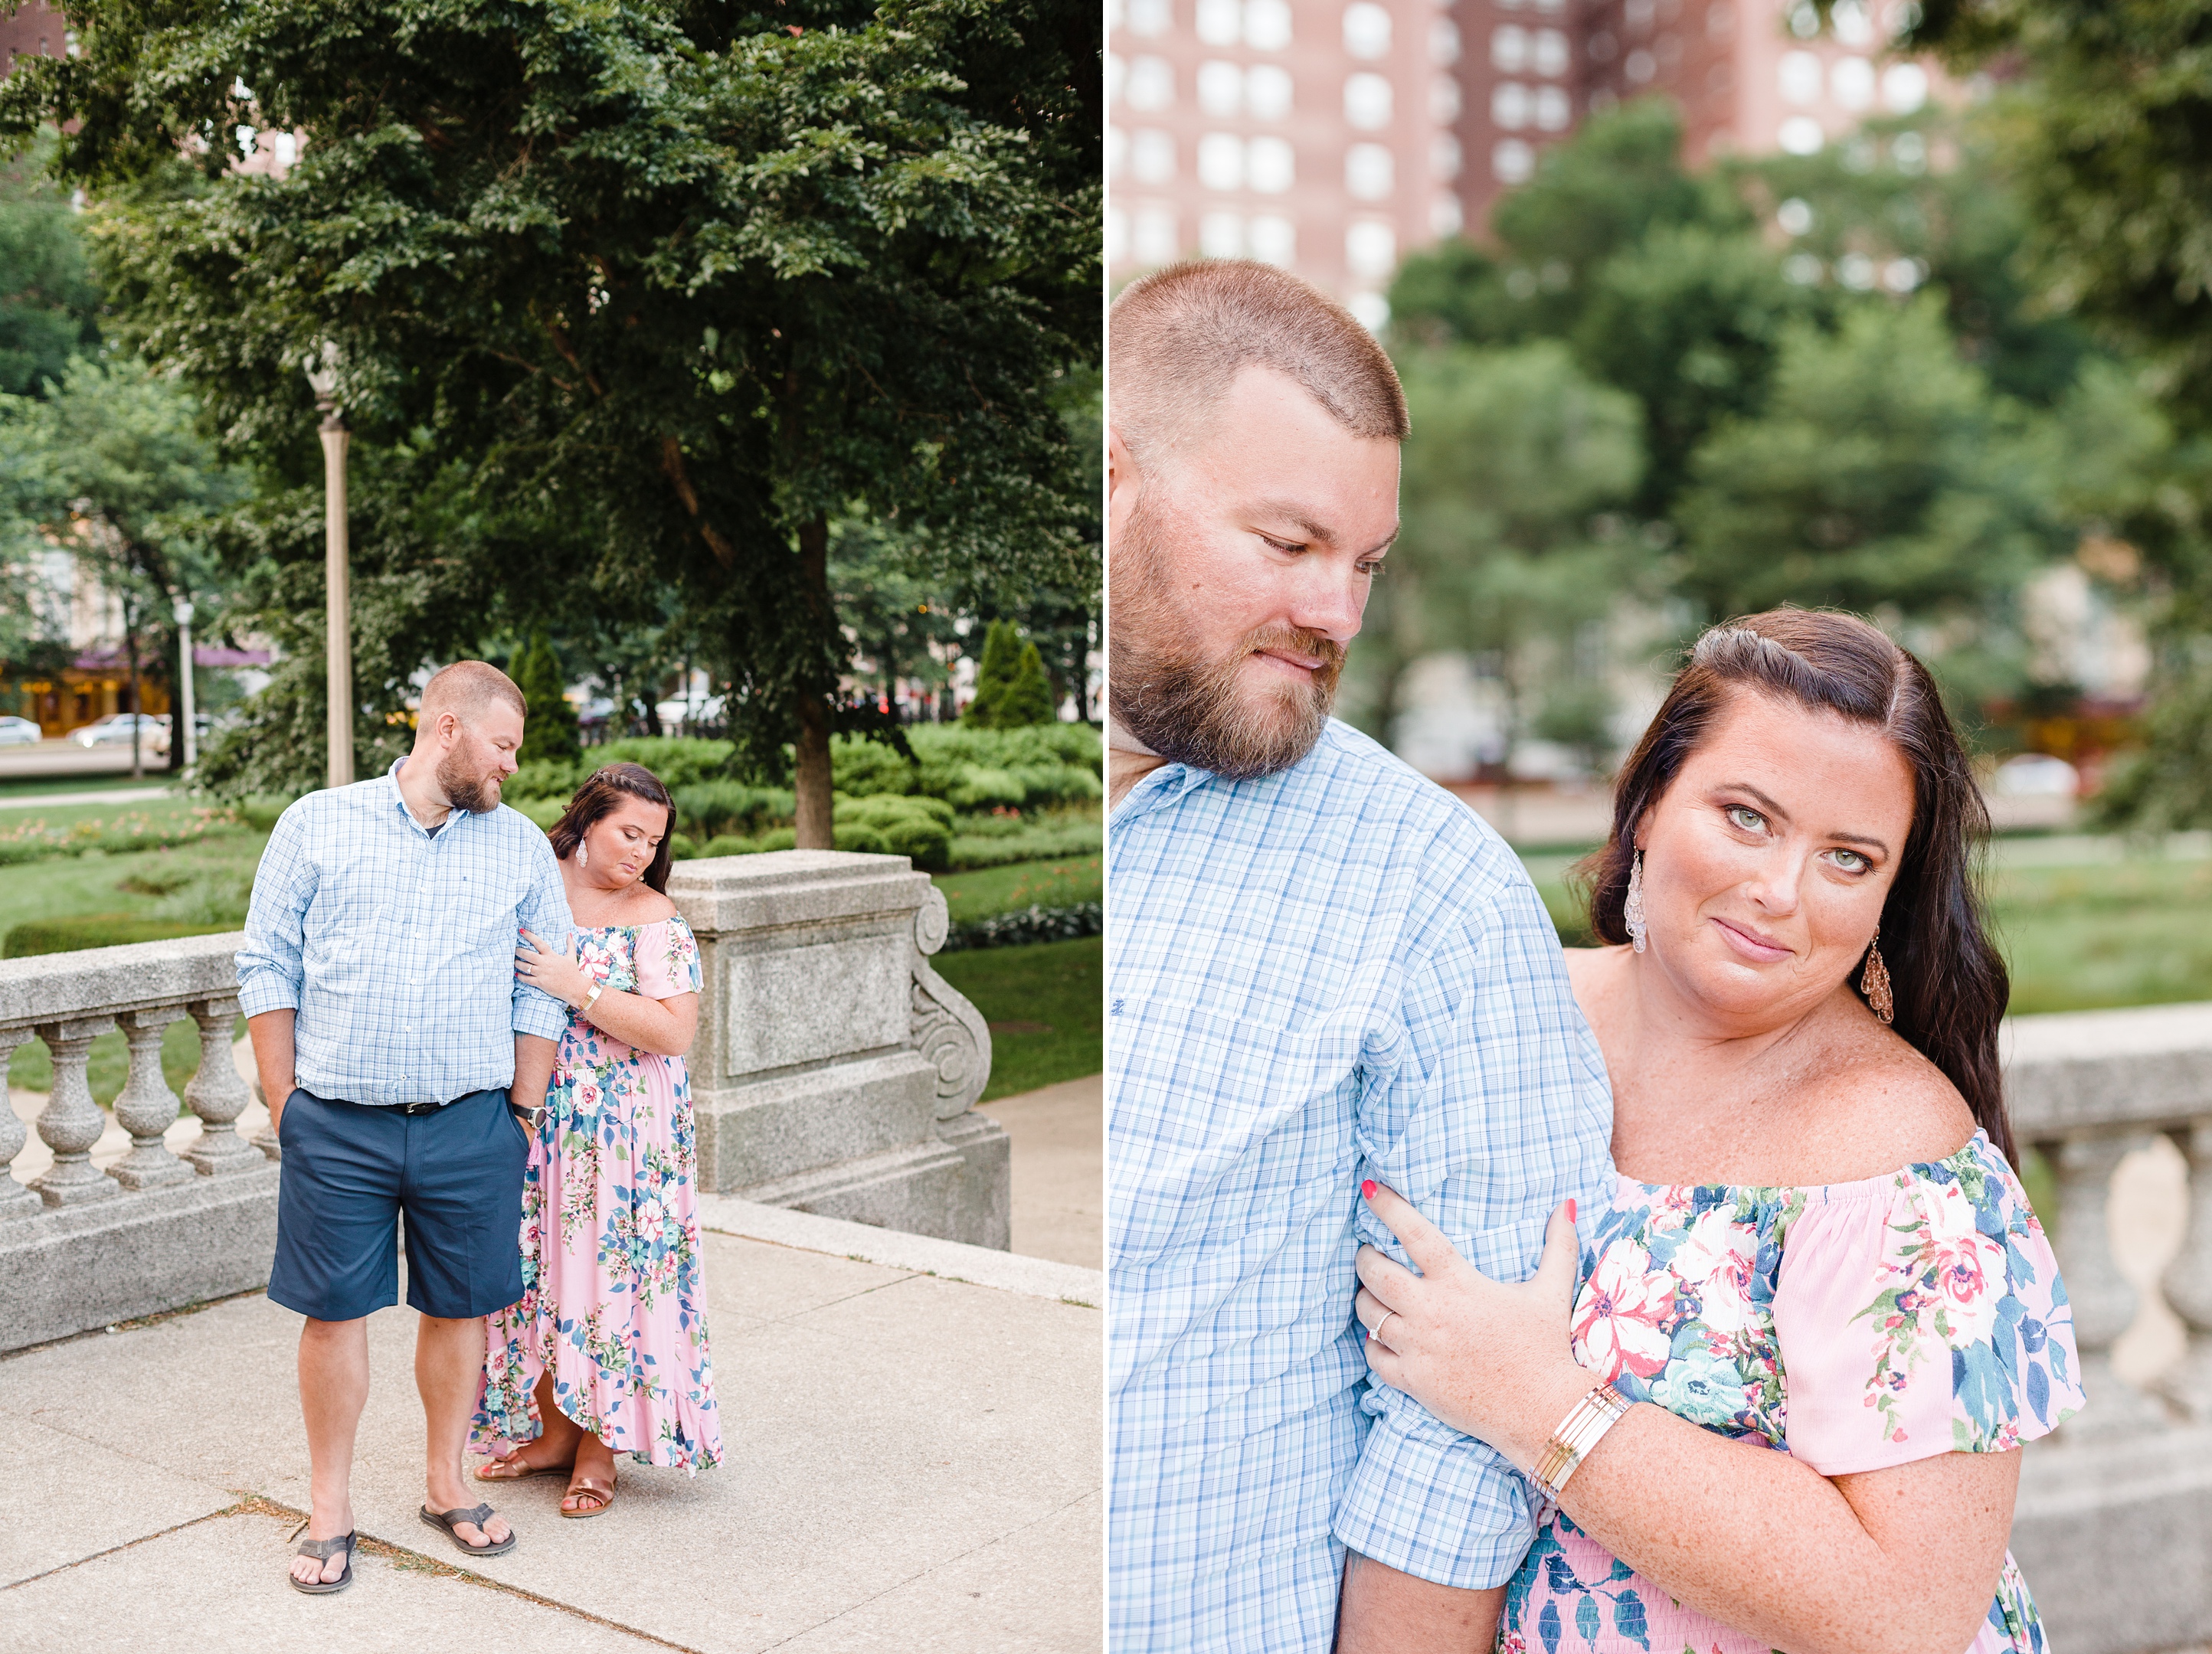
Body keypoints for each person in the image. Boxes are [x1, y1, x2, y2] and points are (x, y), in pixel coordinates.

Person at [1354, 610, 2084, 1653]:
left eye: (1848, 858)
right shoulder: (1500, 1020)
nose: (1779, 892)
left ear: (1889, 896)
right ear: (1649, 801)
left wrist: (1535, 1401)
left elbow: (1908, 1605)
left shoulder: (1895, 1154)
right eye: (1747, 817)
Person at [1105, 256, 1615, 1652]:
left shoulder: (1430, 889)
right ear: (1112, 478)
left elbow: (1463, 1443)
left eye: (1366, 564)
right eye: (1288, 545)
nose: (1338, 614)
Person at [238, 660, 573, 1594]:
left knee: (460, 1308)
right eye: (503, 746)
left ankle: (445, 1483)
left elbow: (539, 993)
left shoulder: (517, 849)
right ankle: (330, 1507)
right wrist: (284, 1102)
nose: (510, 767)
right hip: (337, 1125)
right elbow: (266, 961)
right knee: (333, 1313)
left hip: (473, 1124)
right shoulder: (316, 821)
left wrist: (520, 1113)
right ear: (447, 727)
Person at [473, 761, 721, 1515]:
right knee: (537, 1270)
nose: (642, 851)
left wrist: (576, 985)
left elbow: (675, 1032)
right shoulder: (533, 879)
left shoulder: (653, 915)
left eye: (654, 839)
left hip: (626, 1137)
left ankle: (598, 1445)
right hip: (535, 1115)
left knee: (607, 1282)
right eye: (629, 832)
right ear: (585, 821)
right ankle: (550, 1429)